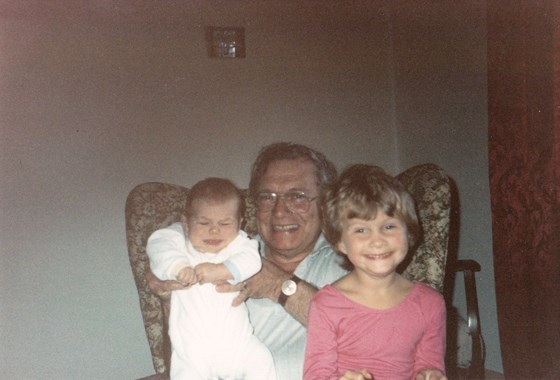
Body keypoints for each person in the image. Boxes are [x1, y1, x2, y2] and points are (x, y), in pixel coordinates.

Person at [146, 142, 352, 379]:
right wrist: (171, 295)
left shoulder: (351, 262)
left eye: (297, 196)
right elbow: (179, 361)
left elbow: (365, 338)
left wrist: (277, 284)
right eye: (267, 197)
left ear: (325, 203)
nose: (279, 211)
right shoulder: (222, 252)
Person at [303, 164, 447, 380]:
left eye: (389, 226)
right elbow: (316, 375)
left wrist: (431, 374)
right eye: (361, 230)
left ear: (409, 232)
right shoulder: (326, 305)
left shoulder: (430, 304)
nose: (377, 240)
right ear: (341, 242)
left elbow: (429, 363)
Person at [146, 177, 276, 380]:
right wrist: (178, 266)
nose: (214, 230)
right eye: (204, 223)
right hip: (192, 354)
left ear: (239, 223)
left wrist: (222, 269)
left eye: (224, 223)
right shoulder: (180, 244)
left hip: (239, 347)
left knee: (262, 360)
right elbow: (157, 245)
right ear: (186, 224)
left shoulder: (238, 244)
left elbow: (252, 260)